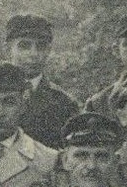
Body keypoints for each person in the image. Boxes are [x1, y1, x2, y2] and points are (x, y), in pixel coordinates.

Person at [6, 13, 81, 150]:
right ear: (8, 49)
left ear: (49, 50)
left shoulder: (65, 104)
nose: (33, 54)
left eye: (41, 46)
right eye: (24, 46)